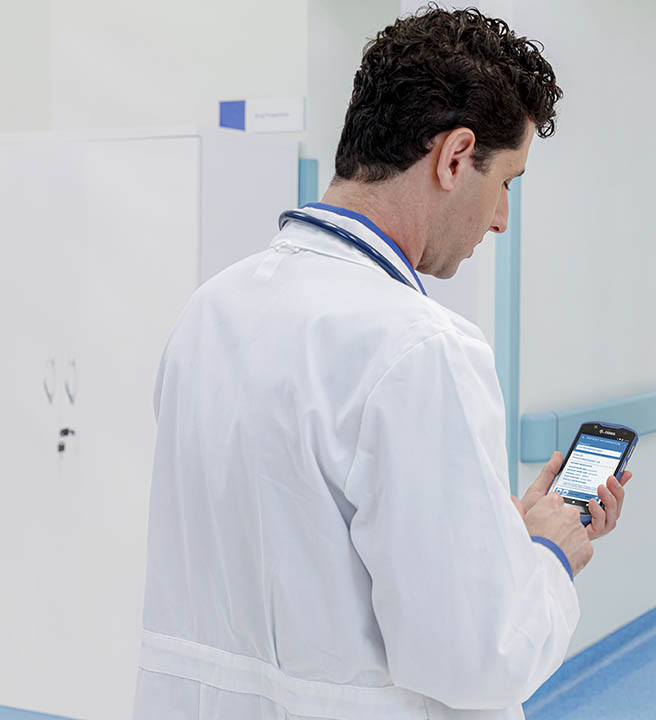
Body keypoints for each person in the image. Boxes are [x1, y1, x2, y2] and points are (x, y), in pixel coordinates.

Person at [134, 8, 630, 719]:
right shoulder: (419, 348)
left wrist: (498, 537)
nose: (500, 220)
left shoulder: (211, 310)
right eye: (508, 182)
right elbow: (475, 657)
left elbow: (299, 553)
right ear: (455, 157)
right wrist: (549, 557)